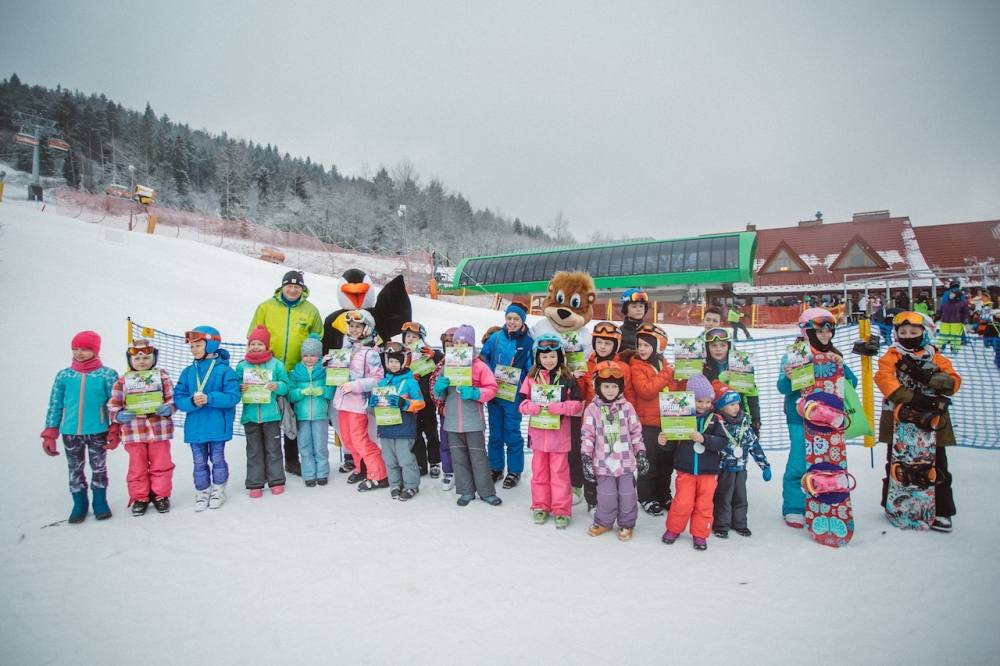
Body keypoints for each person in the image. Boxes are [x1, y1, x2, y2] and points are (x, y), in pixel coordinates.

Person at [874, 312, 961, 532]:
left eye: (914, 332)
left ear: (925, 333)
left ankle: (941, 509)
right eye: (903, 332)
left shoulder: (936, 358)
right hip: (898, 419)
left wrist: (926, 377)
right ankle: (892, 502)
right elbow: (886, 382)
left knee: (937, 462)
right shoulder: (892, 356)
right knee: (896, 459)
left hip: (932, 422)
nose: (908, 336)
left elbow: (952, 383)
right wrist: (920, 399)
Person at [776, 309, 858, 528]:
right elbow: (783, 388)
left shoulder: (832, 352)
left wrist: (840, 364)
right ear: (807, 331)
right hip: (800, 418)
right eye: (819, 331)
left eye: (828, 332)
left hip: (830, 419)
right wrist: (789, 376)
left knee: (827, 460)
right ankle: (794, 507)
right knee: (799, 461)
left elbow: (851, 383)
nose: (825, 336)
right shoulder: (796, 353)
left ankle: (823, 498)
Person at [248, 270, 324, 477]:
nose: (292, 290)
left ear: (303, 288)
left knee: (293, 417)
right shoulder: (266, 307)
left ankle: (292, 460)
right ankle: (266, 462)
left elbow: (317, 337)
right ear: (282, 287)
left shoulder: (310, 310)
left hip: (297, 373)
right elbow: (253, 336)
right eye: (289, 286)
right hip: (268, 370)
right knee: (268, 417)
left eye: (297, 286)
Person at [41, 331, 121, 523]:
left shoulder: (107, 375)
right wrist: (50, 434)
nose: (79, 353)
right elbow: (55, 404)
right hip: (70, 432)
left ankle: (100, 502)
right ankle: (79, 504)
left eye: (85, 349)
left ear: (95, 351)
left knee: (99, 467)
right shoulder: (64, 376)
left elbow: (115, 403)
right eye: (75, 349)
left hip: (97, 430)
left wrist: (115, 429)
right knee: (75, 468)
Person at [432, 324, 502, 506]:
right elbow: (440, 394)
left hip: (473, 421)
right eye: (457, 343)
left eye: (464, 343)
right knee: (459, 458)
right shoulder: (448, 364)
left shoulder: (479, 366)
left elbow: (492, 388)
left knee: (479, 458)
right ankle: (466, 490)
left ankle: (486, 492)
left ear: (471, 345)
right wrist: (439, 388)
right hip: (452, 421)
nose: (460, 346)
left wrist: (476, 393)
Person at [518, 334, 583, 529]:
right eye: (544, 357)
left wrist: (563, 407)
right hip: (538, 437)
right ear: (538, 358)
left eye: (553, 356)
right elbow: (521, 403)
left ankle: (561, 509)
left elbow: (578, 404)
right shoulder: (530, 379)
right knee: (539, 473)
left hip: (559, 438)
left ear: (560, 357)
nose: (548, 361)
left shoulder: (568, 379)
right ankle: (540, 505)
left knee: (560, 473)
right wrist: (531, 407)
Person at [174, 326, 241, 511]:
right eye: (192, 347)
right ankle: (202, 490)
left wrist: (210, 398)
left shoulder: (226, 371)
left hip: (217, 425)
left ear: (210, 345)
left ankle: (218, 488)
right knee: (198, 461)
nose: (194, 349)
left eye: (198, 345)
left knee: (217, 459)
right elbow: (178, 398)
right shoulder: (188, 372)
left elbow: (233, 397)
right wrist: (191, 402)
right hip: (195, 427)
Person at [106, 338, 176, 516]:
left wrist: (168, 408)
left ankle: (161, 495)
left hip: (159, 429)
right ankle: (139, 497)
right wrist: (118, 414)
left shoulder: (161, 377)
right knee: (137, 466)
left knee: (161, 463)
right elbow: (113, 405)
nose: (142, 361)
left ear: (153, 358)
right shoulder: (123, 382)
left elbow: (172, 399)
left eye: (146, 357)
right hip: (133, 431)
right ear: (130, 361)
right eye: (137, 359)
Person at [581, 361, 648, 541]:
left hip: (625, 462)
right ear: (598, 387)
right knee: (606, 495)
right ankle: (604, 521)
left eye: (613, 386)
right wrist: (586, 457)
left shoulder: (627, 408)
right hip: (603, 463)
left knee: (627, 494)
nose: (610, 390)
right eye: (606, 386)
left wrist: (640, 452)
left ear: (620, 388)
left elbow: (636, 433)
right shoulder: (592, 410)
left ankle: (626, 522)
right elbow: (587, 436)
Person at [661, 374, 727, 550]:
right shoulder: (680, 417)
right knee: (682, 502)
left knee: (704, 505)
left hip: (708, 471)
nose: (704, 405)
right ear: (690, 399)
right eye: (699, 401)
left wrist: (705, 439)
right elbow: (672, 445)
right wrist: (665, 441)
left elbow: (723, 442)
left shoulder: (715, 419)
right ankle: (674, 529)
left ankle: (700, 534)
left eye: (707, 401)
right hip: (686, 469)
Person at [574, 321, 634, 510]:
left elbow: (630, 397)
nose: (603, 346)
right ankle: (593, 501)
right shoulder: (587, 364)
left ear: (615, 345)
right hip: (593, 424)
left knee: (615, 461)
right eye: (599, 342)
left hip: (617, 426)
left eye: (608, 343)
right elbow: (582, 396)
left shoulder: (623, 368)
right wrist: (577, 380)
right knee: (592, 462)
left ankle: (615, 498)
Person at [332, 310, 388, 491]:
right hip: (342, 402)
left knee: (360, 440)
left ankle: (378, 474)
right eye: (352, 326)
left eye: (358, 326)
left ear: (366, 329)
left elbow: (378, 379)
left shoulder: (370, 353)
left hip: (357, 403)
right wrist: (330, 365)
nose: (354, 329)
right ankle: (361, 467)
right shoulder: (345, 349)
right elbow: (338, 373)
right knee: (347, 440)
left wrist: (354, 385)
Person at [480, 302, 533, 489]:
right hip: (494, 394)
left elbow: (530, 370)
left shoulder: (527, 343)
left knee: (512, 433)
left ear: (522, 320)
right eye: (509, 318)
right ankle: (495, 467)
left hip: (513, 396)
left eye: (516, 319)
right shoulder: (494, 338)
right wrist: (489, 377)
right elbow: (482, 360)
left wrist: (525, 392)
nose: (512, 322)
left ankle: (514, 470)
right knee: (495, 432)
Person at [626, 322, 676, 517]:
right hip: (648, 425)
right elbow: (646, 391)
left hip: (668, 422)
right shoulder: (637, 366)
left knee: (666, 463)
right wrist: (668, 373)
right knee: (649, 463)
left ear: (658, 345)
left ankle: (664, 495)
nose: (642, 349)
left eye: (647, 345)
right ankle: (647, 497)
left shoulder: (665, 365)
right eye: (640, 345)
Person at [711, 382, 770, 539]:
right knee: (723, 497)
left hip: (741, 468)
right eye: (731, 404)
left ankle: (740, 523)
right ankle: (721, 525)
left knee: (740, 496)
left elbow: (754, 445)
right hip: (723, 468)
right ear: (720, 407)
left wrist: (764, 465)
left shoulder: (744, 423)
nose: (736, 407)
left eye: (737, 403)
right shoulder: (717, 424)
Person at [237, 325, 290, 498]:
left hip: (271, 415)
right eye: (253, 343)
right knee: (254, 450)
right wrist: (240, 388)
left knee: (273, 449)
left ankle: (276, 481)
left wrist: (278, 386)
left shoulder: (276, 364)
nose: (256, 347)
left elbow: (286, 386)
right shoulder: (242, 365)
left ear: (267, 345)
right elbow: (233, 387)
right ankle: (255, 483)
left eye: (260, 344)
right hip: (251, 416)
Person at [368, 342, 425, 501]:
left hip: (404, 428)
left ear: (404, 362)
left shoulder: (410, 382)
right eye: (390, 361)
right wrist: (372, 403)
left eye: (396, 361)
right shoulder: (382, 383)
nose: (393, 365)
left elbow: (420, 403)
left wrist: (404, 403)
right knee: (389, 458)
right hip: (386, 428)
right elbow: (374, 411)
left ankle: (411, 485)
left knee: (405, 458)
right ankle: (395, 483)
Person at [288, 334, 334, 487]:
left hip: (320, 414)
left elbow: (332, 390)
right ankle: (308, 474)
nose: (309, 358)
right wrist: (301, 393)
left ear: (319, 356)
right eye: (306, 355)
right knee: (304, 445)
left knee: (320, 445)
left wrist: (323, 390)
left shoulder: (325, 371)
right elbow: (291, 394)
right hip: (302, 416)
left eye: (313, 355)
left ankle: (322, 473)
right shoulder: (295, 374)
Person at [400, 322, 443, 478]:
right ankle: (421, 463)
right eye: (408, 336)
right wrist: (407, 376)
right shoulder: (401, 354)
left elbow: (444, 363)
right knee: (415, 433)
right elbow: (393, 372)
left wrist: (434, 355)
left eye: (414, 336)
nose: (410, 339)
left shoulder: (428, 351)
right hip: (411, 401)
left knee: (431, 432)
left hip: (427, 400)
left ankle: (435, 462)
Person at [701, 328, 761, 435]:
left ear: (729, 346)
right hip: (714, 420)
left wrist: (755, 419)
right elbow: (703, 394)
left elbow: (751, 395)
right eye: (713, 346)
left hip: (737, 417)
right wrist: (720, 380)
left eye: (722, 345)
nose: (718, 349)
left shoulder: (740, 365)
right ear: (707, 348)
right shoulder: (704, 368)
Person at [936, 288, 970, 353]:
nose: (951, 295)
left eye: (953, 294)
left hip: (957, 322)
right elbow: (940, 311)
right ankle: (940, 348)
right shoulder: (946, 303)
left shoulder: (962, 303)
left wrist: (965, 319)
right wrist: (937, 317)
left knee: (955, 337)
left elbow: (966, 312)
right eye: (951, 294)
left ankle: (954, 349)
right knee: (942, 336)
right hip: (945, 322)